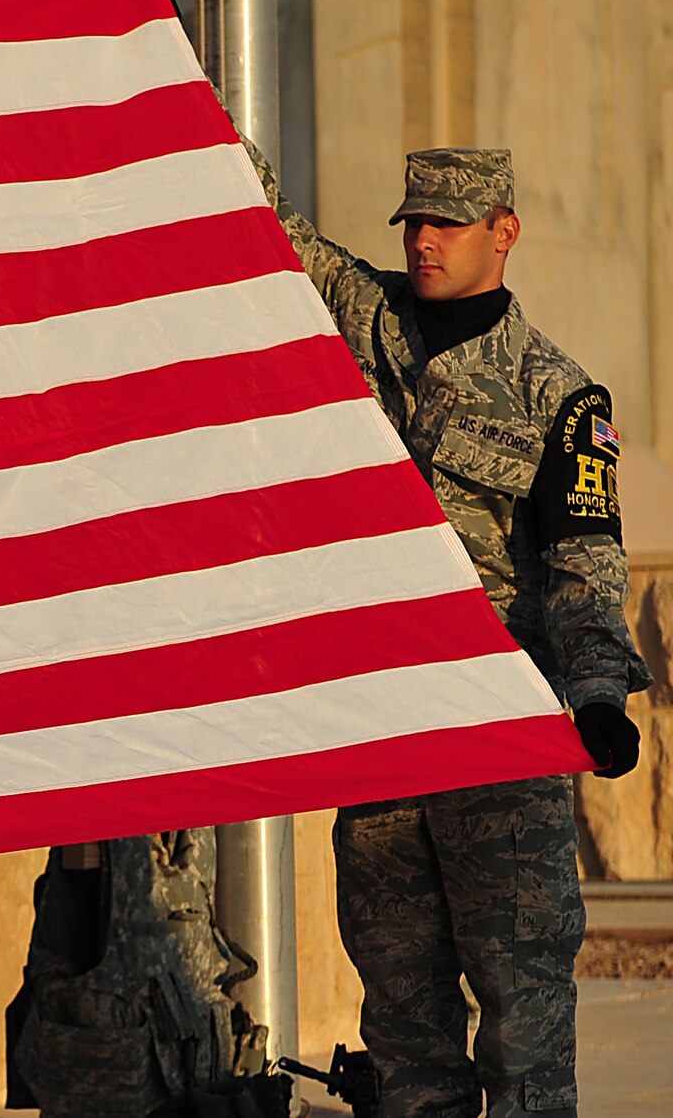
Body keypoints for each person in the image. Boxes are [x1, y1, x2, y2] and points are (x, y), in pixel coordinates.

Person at [243, 133, 650, 1117]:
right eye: (413, 221)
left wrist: (596, 691)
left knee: (522, 1027)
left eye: (446, 223)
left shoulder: (559, 395)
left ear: (501, 232)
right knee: (401, 1027)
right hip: (385, 726)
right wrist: (175, 71)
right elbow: (266, 225)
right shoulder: (368, 316)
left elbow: (580, 556)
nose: (424, 241)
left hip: (498, 734)